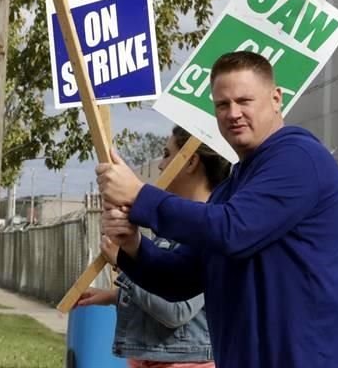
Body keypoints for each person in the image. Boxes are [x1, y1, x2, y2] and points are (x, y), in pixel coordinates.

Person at [96, 51, 338, 368]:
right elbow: (182, 278)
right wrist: (134, 245)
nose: (233, 113)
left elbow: (232, 230)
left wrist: (140, 196)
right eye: (222, 104)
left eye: (244, 100)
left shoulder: (299, 157)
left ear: (276, 98)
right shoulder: (231, 187)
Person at [78, 126, 228, 368]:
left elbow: (176, 311)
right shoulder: (175, 228)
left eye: (167, 154)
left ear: (190, 162)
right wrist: (112, 296)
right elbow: (163, 290)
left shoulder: (209, 230)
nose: (160, 165)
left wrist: (122, 261)